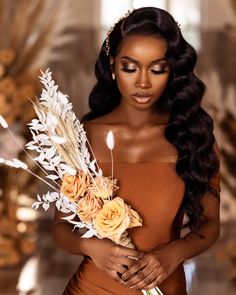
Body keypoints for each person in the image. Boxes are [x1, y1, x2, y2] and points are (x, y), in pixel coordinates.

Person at [53, 7, 221, 295]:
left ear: (172, 72)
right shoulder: (84, 137)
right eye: (130, 67)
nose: (143, 82)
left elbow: (210, 223)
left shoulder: (192, 137)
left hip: (165, 287)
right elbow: (60, 229)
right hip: (91, 288)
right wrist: (90, 246)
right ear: (113, 65)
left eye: (157, 69)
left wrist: (174, 253)